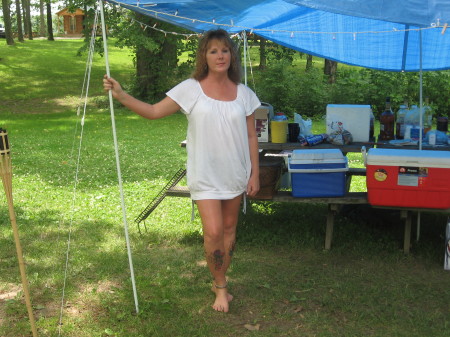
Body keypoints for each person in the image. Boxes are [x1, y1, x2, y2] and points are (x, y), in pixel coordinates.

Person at [103, 29, 261, 313]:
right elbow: (153, 111)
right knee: (213, 232)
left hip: (235, 173)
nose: (220, 55)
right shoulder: (190, 88)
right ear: (204, 56)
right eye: (213, 51)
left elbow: (251, 137)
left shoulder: (245, 94)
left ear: (232, 56)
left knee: (228, 231)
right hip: (205, 174)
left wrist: (255, 173)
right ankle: (221, 287)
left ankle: (219, 280)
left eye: (225, 50)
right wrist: (122, 95)